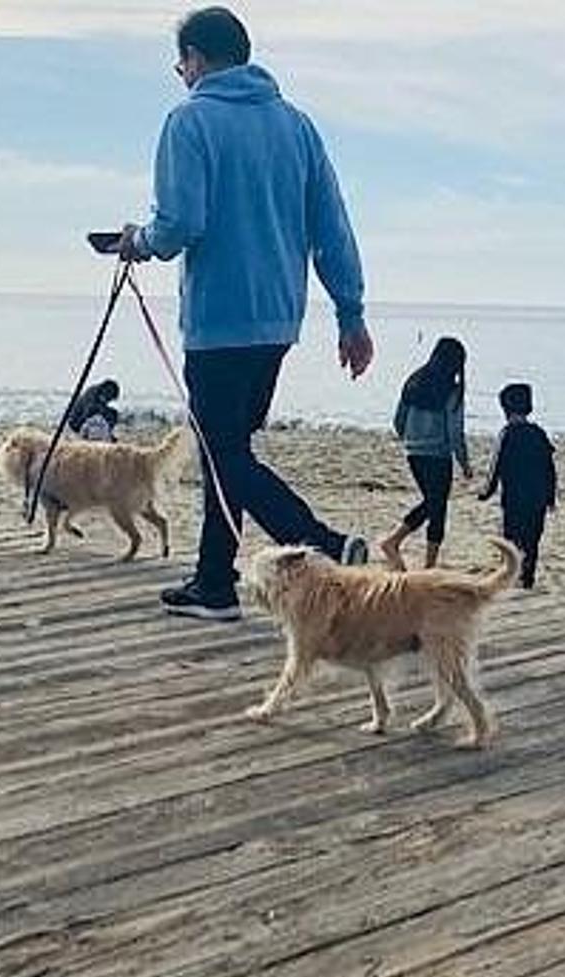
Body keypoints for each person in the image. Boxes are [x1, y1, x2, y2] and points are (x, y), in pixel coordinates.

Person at [115, 5, 374, 622]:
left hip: (219, 321)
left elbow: (180, 224)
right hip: (279, 319)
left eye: (181, 63)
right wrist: (350, 311)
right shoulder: (298, 126)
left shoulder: (190, 120)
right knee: (230, 450)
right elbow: (330, 225)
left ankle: (326, 544)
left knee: (224, 454)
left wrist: (139, 241)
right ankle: (214, 584)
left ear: (198, 59)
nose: (181, 73)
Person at [378, 336, 471, 570]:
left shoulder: (414, 381)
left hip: (414, 454)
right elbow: (455, 431)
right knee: (436, 506)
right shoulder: (452, 391)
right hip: (438, 455)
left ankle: (400, 546)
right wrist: (464, 463)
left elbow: (398, 420)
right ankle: (403, 549)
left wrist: (409, 439)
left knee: (433, 503)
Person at [477, 381, 556, 590]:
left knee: (511, 539)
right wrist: (550, 496)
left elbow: (495, 466)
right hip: (537, 497)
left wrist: (486, 491)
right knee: (532, 540)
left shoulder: (507, 434)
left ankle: (510, 576)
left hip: (514, 498)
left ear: (505, 409)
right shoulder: (538, 433)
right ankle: (527, 578)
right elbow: (549, 467)